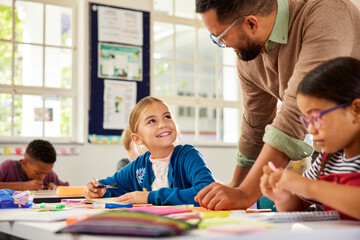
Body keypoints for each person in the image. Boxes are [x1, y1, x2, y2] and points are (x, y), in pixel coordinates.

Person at [195, 0, 360, 210]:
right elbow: (255, 125)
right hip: (330, 154)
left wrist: (245, 193)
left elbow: (293, 114)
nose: (223, 44)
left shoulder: (327, 12)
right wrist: (236, 187)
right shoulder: (248, 51)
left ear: (251, 24)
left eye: (221, 37)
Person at [260, 57, 360, 220]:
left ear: (356, 110)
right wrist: (283, 195)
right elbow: (299, 204)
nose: (310, 129)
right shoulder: (328, 160)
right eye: (307, 120)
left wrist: (309, 187)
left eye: (316, 118)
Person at [84, 96, 215, 205]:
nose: (163, 124)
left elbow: (208, 192)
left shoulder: (188, 155)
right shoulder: (138, 166)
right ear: (137, 139)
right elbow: (114, 185)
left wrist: (149, 197)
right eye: (152, 121)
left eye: (167, 117)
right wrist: (99, 189)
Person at [0, 139, 69, 191]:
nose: (42, 177)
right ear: (24, 163)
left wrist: (55, 187)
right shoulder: (8, 167)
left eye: (46, 173)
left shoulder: (49, 175)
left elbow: (67, 189)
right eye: (38, 172)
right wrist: (23, 186)